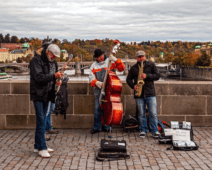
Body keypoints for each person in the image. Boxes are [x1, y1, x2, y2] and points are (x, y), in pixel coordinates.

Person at [30, 44, 63, 158]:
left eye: (55, 57)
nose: (54, 59)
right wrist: (54, 76)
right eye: (53, 56)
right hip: (38, 94)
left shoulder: (53, 62)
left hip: (48, 94)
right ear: (48, 52)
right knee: (41, 120)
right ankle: (42, 148)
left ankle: (37, 145)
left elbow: (52, 77)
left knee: (42, 120)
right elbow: (38, 77)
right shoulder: (36, 60)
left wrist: (57, 81)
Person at [89, 48, 125, 134]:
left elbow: (121, 68)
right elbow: (91, 79)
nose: (99, 58)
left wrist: (116, 60)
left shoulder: (110, 62)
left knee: (109, 109)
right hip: (98, 90)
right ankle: (97, 127)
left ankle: (107, 126)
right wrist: (98, 83)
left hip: (110, 90)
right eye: (97, 57)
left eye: (100, 56)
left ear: (103, 54)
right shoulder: (93, 66)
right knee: (98, 109)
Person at [126, 50, 161, 138]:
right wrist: (133, 86)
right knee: (141, 113)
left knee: (153, 113)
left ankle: (155, 130)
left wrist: (147, 76)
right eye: (139, 57)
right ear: (136, 58)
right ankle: (143, 129)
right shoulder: (133, 68)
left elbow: (157, 76)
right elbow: (128, 79)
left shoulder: (151, 65)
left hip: (150, 93)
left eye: (142, 56)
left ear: (145, 56)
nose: (141, 58)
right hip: (139, 94)